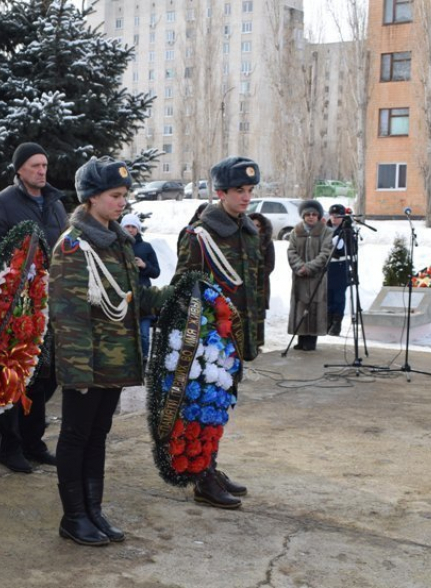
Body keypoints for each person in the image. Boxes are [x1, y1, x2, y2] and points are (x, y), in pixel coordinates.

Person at [50, 156, 169, 546]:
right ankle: (74, 517)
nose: (122, 203)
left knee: (98, 436)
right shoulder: (73, 246)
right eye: (115, 196)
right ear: (91, 199)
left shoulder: (117, 241)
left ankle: (93, 509)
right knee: (76, 436)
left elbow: (131, 298)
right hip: (89, 364)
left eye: (124, 196)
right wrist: (77, 374)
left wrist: (175, 294)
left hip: (115, 361)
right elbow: (69, 317)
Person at [173, 156, 264, 509]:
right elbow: (183, 288)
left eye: (250, 190)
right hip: (212, 340)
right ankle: (202, 477)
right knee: (202, 406)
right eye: (239, 191)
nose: (246, 197)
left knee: (222, 405)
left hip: (236, 337)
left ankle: (209, 465)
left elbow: (254, 288)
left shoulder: (247, 230)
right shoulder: (200, 235)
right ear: (220, 192)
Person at [0, 142, 67, 473]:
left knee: (43, 377)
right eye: (35, 165)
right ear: (19, 170)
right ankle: (9, 446)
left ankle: (33, 441)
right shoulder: (1, 205)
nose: (42, 170)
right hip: (16, 307)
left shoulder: (55, 204)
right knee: (13, 376)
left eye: (44, 165)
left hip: (48, 306)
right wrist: (15, 271)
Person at [287, 200, 333, 351]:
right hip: (300, 276)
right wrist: (299, 267)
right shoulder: (296, 231)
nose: (311, 217)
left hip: (316, 277)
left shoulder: (325, 231)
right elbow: (291, 251)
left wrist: (310, 267)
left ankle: (311, 340)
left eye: (314, 214)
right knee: (300, 306)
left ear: (319, 216)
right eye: (307, 214)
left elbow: (326, 253)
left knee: (315, 305)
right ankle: (301, 338)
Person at [119, 214, 160, 362]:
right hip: (123, 297)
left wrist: (144, 265)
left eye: (133, 227)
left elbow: (156, 272)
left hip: (143, 297)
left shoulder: (146, 247)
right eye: (127, 226)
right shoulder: (116, 246)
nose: (130, 230)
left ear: (138, 229)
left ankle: (144, 359)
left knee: (144, 333)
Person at [248, 212, 275, 347]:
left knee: (259, 313)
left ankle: (257, 343)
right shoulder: (243, 241)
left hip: (261, 283)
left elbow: (270, 264)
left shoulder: (267, 243)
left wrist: (258, 274)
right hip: (244, 283)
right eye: (252, 224)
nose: (255, 227)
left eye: (258, 225)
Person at [326, 204, 351, 337]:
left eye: (338, 216)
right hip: (328, 267)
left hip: (341, 268)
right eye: (333, 216)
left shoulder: (347, 229)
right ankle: (328, 321)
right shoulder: (326, 228)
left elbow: (352, 249)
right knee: (328, 296)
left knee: (338, 297)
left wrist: (341, 247)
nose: (335, 219)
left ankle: (336, 324)